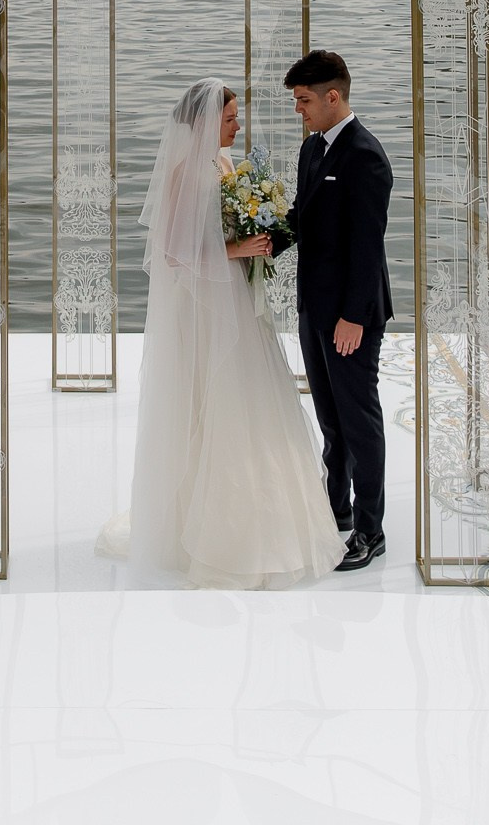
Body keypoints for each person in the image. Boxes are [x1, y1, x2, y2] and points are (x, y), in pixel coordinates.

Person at [103, 78, 346, 588]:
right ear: (207, 122)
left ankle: (268, 516)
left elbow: (228, 226)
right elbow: (173, 253)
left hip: (236, 298)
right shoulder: (182, 175)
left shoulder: (228, 165)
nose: (238, 127)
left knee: (254, 398)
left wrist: (260, 238)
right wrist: (238, 251)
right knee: (214, 399)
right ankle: (207, 529)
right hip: (204, 308)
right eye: (231, 119)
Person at [278, 50, 396, 572]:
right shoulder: (312, 150)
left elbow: (369, 247)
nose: (299, 110)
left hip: (351, 316)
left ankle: (372, 529)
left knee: (360, 419)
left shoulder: (366, 156)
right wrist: (257, 242)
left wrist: (352, 315)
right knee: (331, 418)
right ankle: (338, 510)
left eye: (304, 101)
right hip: (314, 308)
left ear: (333, 96)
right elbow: (300, 218)